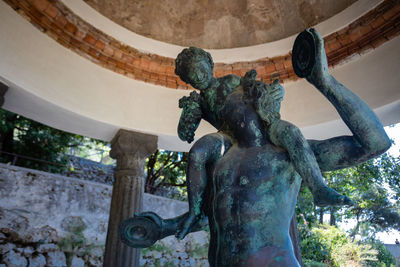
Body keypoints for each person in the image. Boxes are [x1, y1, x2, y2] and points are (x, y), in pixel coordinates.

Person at [171, 28, 390, 266]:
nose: (234, 102)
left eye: (243, 93)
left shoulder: (291, 154)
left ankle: (321, 190)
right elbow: (215, 216)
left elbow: (375, 144)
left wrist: (324, 82)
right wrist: (164, 226)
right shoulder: (221, 164)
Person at [174, 49, 353, 238]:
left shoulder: (231, 80)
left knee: (291, 132)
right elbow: (184, 133)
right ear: (187, 80)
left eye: (200, 68)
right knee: (197, 153)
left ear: (210, 65)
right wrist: (189, 114)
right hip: (228, 136)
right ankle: (195, 211)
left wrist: (277, 92)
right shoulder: (198, 102)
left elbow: (261, 91)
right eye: (192, 74)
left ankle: (318, 188)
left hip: (260, 126)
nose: (198, 75)